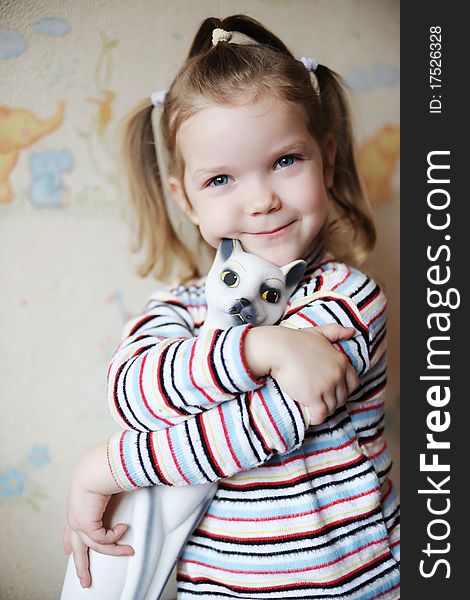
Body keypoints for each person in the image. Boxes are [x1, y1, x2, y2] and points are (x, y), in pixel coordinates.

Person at [63, 14, 400, 599]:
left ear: (327, 157)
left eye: (286, 161)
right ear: (185, 199)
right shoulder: (178, 305)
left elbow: (265, 422)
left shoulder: (346, 298)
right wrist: (260, 347)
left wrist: (104, 468)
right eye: (221, 179)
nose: (263, 199)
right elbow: (131, 393)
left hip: (359, 583)